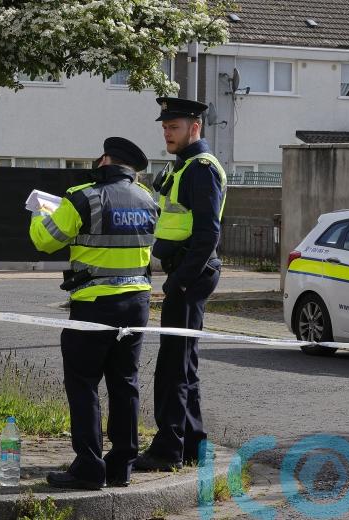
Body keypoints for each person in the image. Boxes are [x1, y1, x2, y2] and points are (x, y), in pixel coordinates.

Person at [30, 137, 158, 490]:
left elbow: (45, 240)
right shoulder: (148, 199)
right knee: (125, 382)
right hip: (138, 303)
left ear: (104, 160)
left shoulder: (83, 197)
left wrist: (40, 212)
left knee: (83, 382)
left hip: (94, 304)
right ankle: (122, 466)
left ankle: (89, 466)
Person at [135, 97, 227, 471]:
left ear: (195, 127)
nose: (167, 133)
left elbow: (208, 234)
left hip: (191, 274)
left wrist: (179, 282)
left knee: (173, 366)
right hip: (187, 272)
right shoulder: (184, 166)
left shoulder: (201, 169)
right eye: (164, 127)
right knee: (183, 364)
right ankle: (193, 446)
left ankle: (167, 450)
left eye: (173, 127)